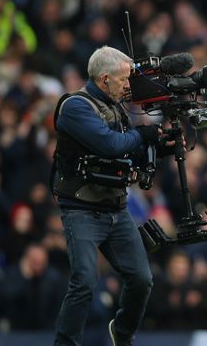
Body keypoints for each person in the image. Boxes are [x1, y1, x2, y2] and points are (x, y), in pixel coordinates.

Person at [52, 46, 167, 346]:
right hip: (81, 208)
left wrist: (161, 143)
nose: (129, 86)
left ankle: (122, 334)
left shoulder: (116, 107)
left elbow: (132, 152)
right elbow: (111, 145)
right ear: (105, 79)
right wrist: (143, 134)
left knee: (142, 280)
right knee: (85, 282)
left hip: (116, 207)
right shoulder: (76, 106)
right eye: (124, 80)